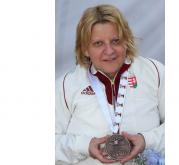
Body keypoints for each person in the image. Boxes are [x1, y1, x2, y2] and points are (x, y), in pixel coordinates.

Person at [56, 4, 164, 165]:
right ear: (85, 49)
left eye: (115, 41)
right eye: (98, 43)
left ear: (126, 40)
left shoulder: (154, 72)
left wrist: (146, 140)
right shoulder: (66, 85)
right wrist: (84, 146)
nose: (109, 51)